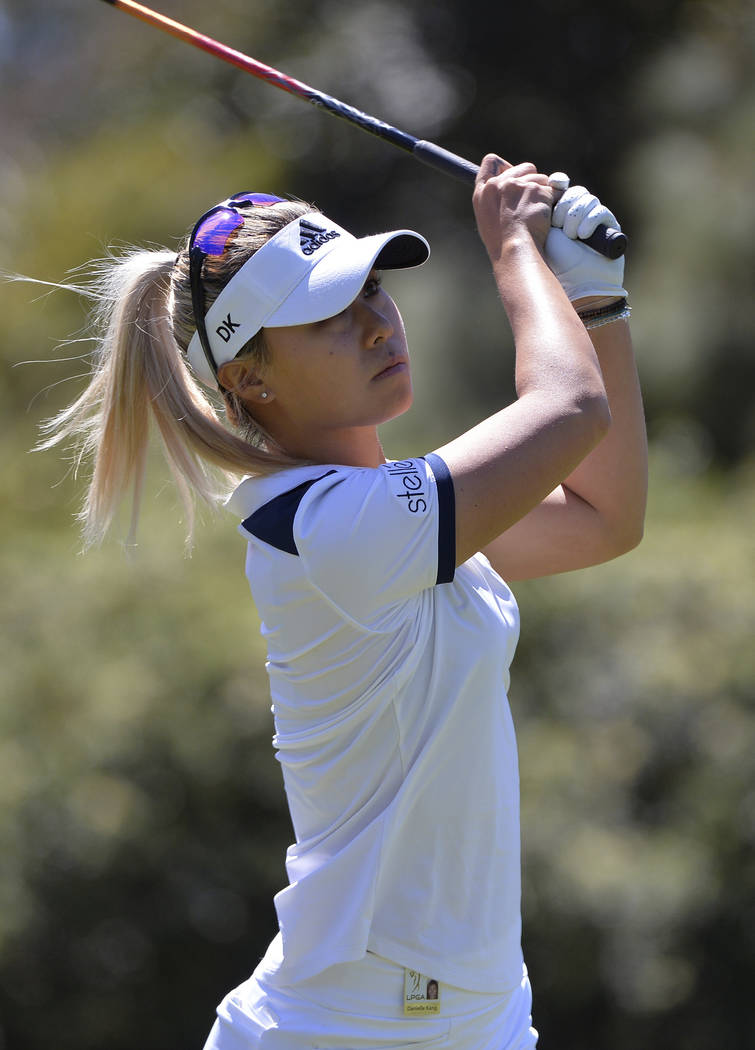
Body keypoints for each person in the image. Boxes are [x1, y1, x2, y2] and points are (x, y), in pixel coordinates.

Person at [44, 155, 647, 1049]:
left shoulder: (386, 512)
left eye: (372, 291)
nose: (374, 323)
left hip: (478, 1015)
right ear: (250, 379)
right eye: (328, 315)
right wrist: (516, 248)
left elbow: (604, 517)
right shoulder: (330, 530)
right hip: (346, 1027)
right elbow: (568, 409)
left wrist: (596, 308)